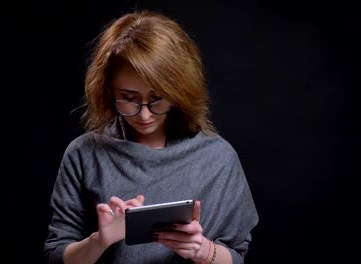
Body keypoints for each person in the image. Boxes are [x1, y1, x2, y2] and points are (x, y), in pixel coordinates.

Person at [44, 10, 258, 264]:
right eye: (129, 98)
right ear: (108, 90)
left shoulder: (218, 158)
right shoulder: (84, 153)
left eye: (157, 98)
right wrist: (99, 240)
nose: (144, 115)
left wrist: (202, 250)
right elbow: (56, 255)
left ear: (178, 91)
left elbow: (236, 255)